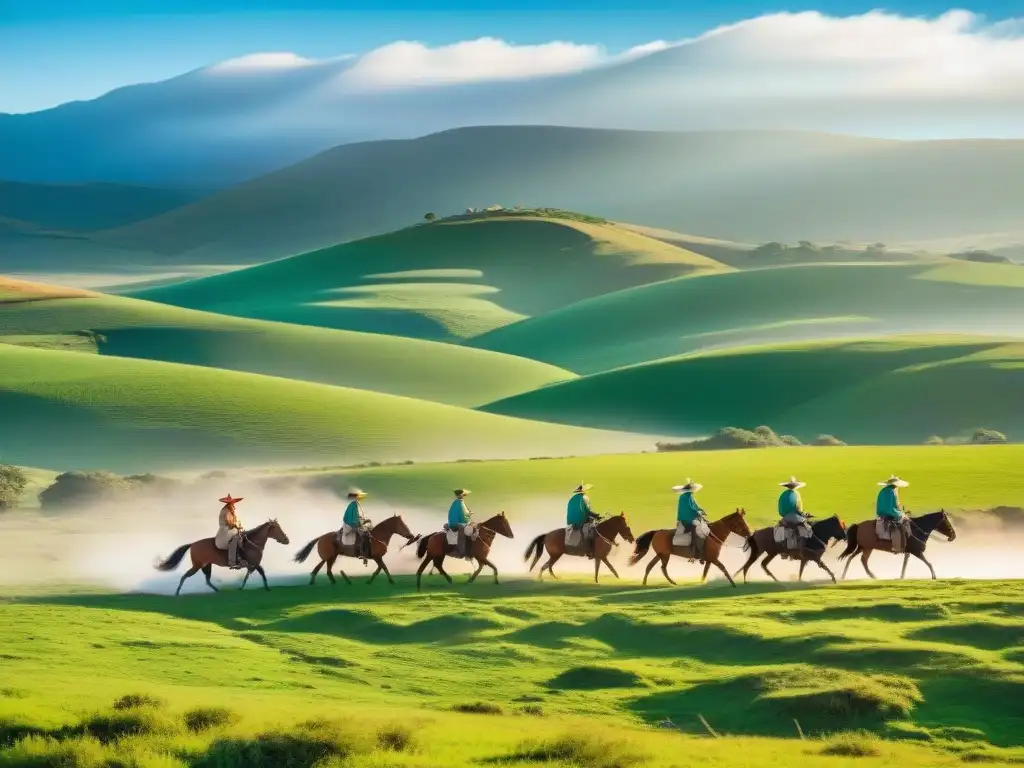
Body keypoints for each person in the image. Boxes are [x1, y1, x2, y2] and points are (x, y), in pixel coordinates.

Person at [673, 479, 709, 560]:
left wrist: (701, 510)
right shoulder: (685, 497)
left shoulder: (690, 496)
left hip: (690, 517)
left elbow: (695, 506)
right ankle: (694, 553)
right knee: (696, 531)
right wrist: (698, 512)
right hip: (685, 519)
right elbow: (689, 509)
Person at [876, 475, 912, 554]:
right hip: (888, 513)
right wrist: (901, 515)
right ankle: (897, 546)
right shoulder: (891, 492)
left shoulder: (884, 490)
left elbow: (893, 506)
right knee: (904, 523)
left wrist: (901, 512)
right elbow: (891, 509)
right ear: (895, 485)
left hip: (881, 513)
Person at [777, 477, 812, 556]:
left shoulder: (783, 494)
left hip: (784, 516)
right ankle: (805, 547)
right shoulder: (796, 494)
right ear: (796, 486)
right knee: (807, 528)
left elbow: (780, 507)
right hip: (794, 516)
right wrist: (805, 514)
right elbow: (799, 508)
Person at [337, 489, 372, 564]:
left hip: (353, 523)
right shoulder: (354, 504)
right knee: (363, 535)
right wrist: (361, 523)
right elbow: (354, 519)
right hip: (350, 525)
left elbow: (358, 517)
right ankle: (362, 554)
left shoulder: (356, 504)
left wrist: (365, 520)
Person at [566, 483, 600, 557]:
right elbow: (587, 511)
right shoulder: (585, 498)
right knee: (594, 530)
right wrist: (596, 515)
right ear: (584, 491)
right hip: (581, 520)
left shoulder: (572, 498)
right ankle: (589, 550)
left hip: (570, 521)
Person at [214, 494, 245, 569]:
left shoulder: (228, 510)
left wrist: (237, 525)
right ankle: (232, 562)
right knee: (236, 539)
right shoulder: (226, 511)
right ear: (229, 504)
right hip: (226, 530)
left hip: (229, 529)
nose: (234, 505)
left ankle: (240, 557)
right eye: (232, 504)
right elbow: (229, 522)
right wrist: (237, 526)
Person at [447, 489, 475, 559]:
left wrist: (468, 513)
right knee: (463, 531)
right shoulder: (458, 503)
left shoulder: (459, 502)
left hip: (459, 521)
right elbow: (462, 514)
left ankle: (469, 550)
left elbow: (464, 512)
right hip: (457, 523)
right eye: (461, 494)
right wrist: (469, 514)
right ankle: (461, 551)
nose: (462, 496)